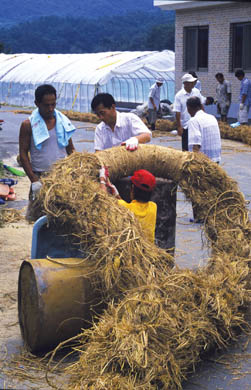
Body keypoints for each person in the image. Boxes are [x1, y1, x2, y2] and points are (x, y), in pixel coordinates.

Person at [19, 84, 76, 216]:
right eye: (46, 105)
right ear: (37, 103)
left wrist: (75, 169)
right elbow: (23, 154)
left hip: (61, 175)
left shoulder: (62, 122)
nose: (50, 108)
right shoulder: (28, 125)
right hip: (40, 176)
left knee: (62, 216)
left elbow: (71, 149)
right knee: (39, 217)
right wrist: (34, 180)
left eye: (53, 104)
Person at [187, 96, 221, 223]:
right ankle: (213, 215)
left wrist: (193, 162)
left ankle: (200, 216)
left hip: (204, 160)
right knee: (212, 188)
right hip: (216, 158)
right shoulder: (211, 117)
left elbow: (196, 143)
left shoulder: (194, 120)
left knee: (197, 188)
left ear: (190, 108)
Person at [99, 168, 157, 243]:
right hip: (147, 250)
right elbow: (129, 207)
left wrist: (102, 179)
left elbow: (102, 198)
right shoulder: (153, 207)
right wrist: (117, 195)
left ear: (132, 188)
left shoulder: (125, 208)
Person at [173, 73, 205, 151]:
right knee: (186, 146)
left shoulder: (196, 92)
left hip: (198, 122)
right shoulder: (179, 95)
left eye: (193, 82)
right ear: (185, 84)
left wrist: (204, 117)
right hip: (186, 125)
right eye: (191, 83)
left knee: (198, 144)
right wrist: (179, 126)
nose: (193, 84)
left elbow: (201, 105)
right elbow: (178, 112)